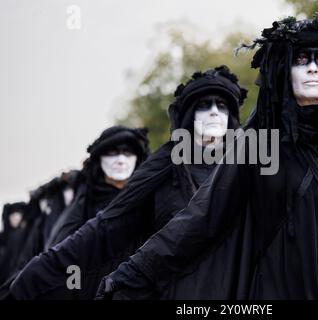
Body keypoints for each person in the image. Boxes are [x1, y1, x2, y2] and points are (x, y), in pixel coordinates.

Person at [96, 15, 318, 300]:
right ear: (284, 70)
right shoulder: (258, 146)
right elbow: (200, 219)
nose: (312, 68)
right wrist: (134, 273)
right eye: (301, 59)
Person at [8, 65, 247, 299]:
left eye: (222, 106)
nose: (214, 112)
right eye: (204, 106)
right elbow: (106, 229)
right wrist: (41, 271)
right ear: (188, 115)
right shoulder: (163, 170)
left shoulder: (246, 169)